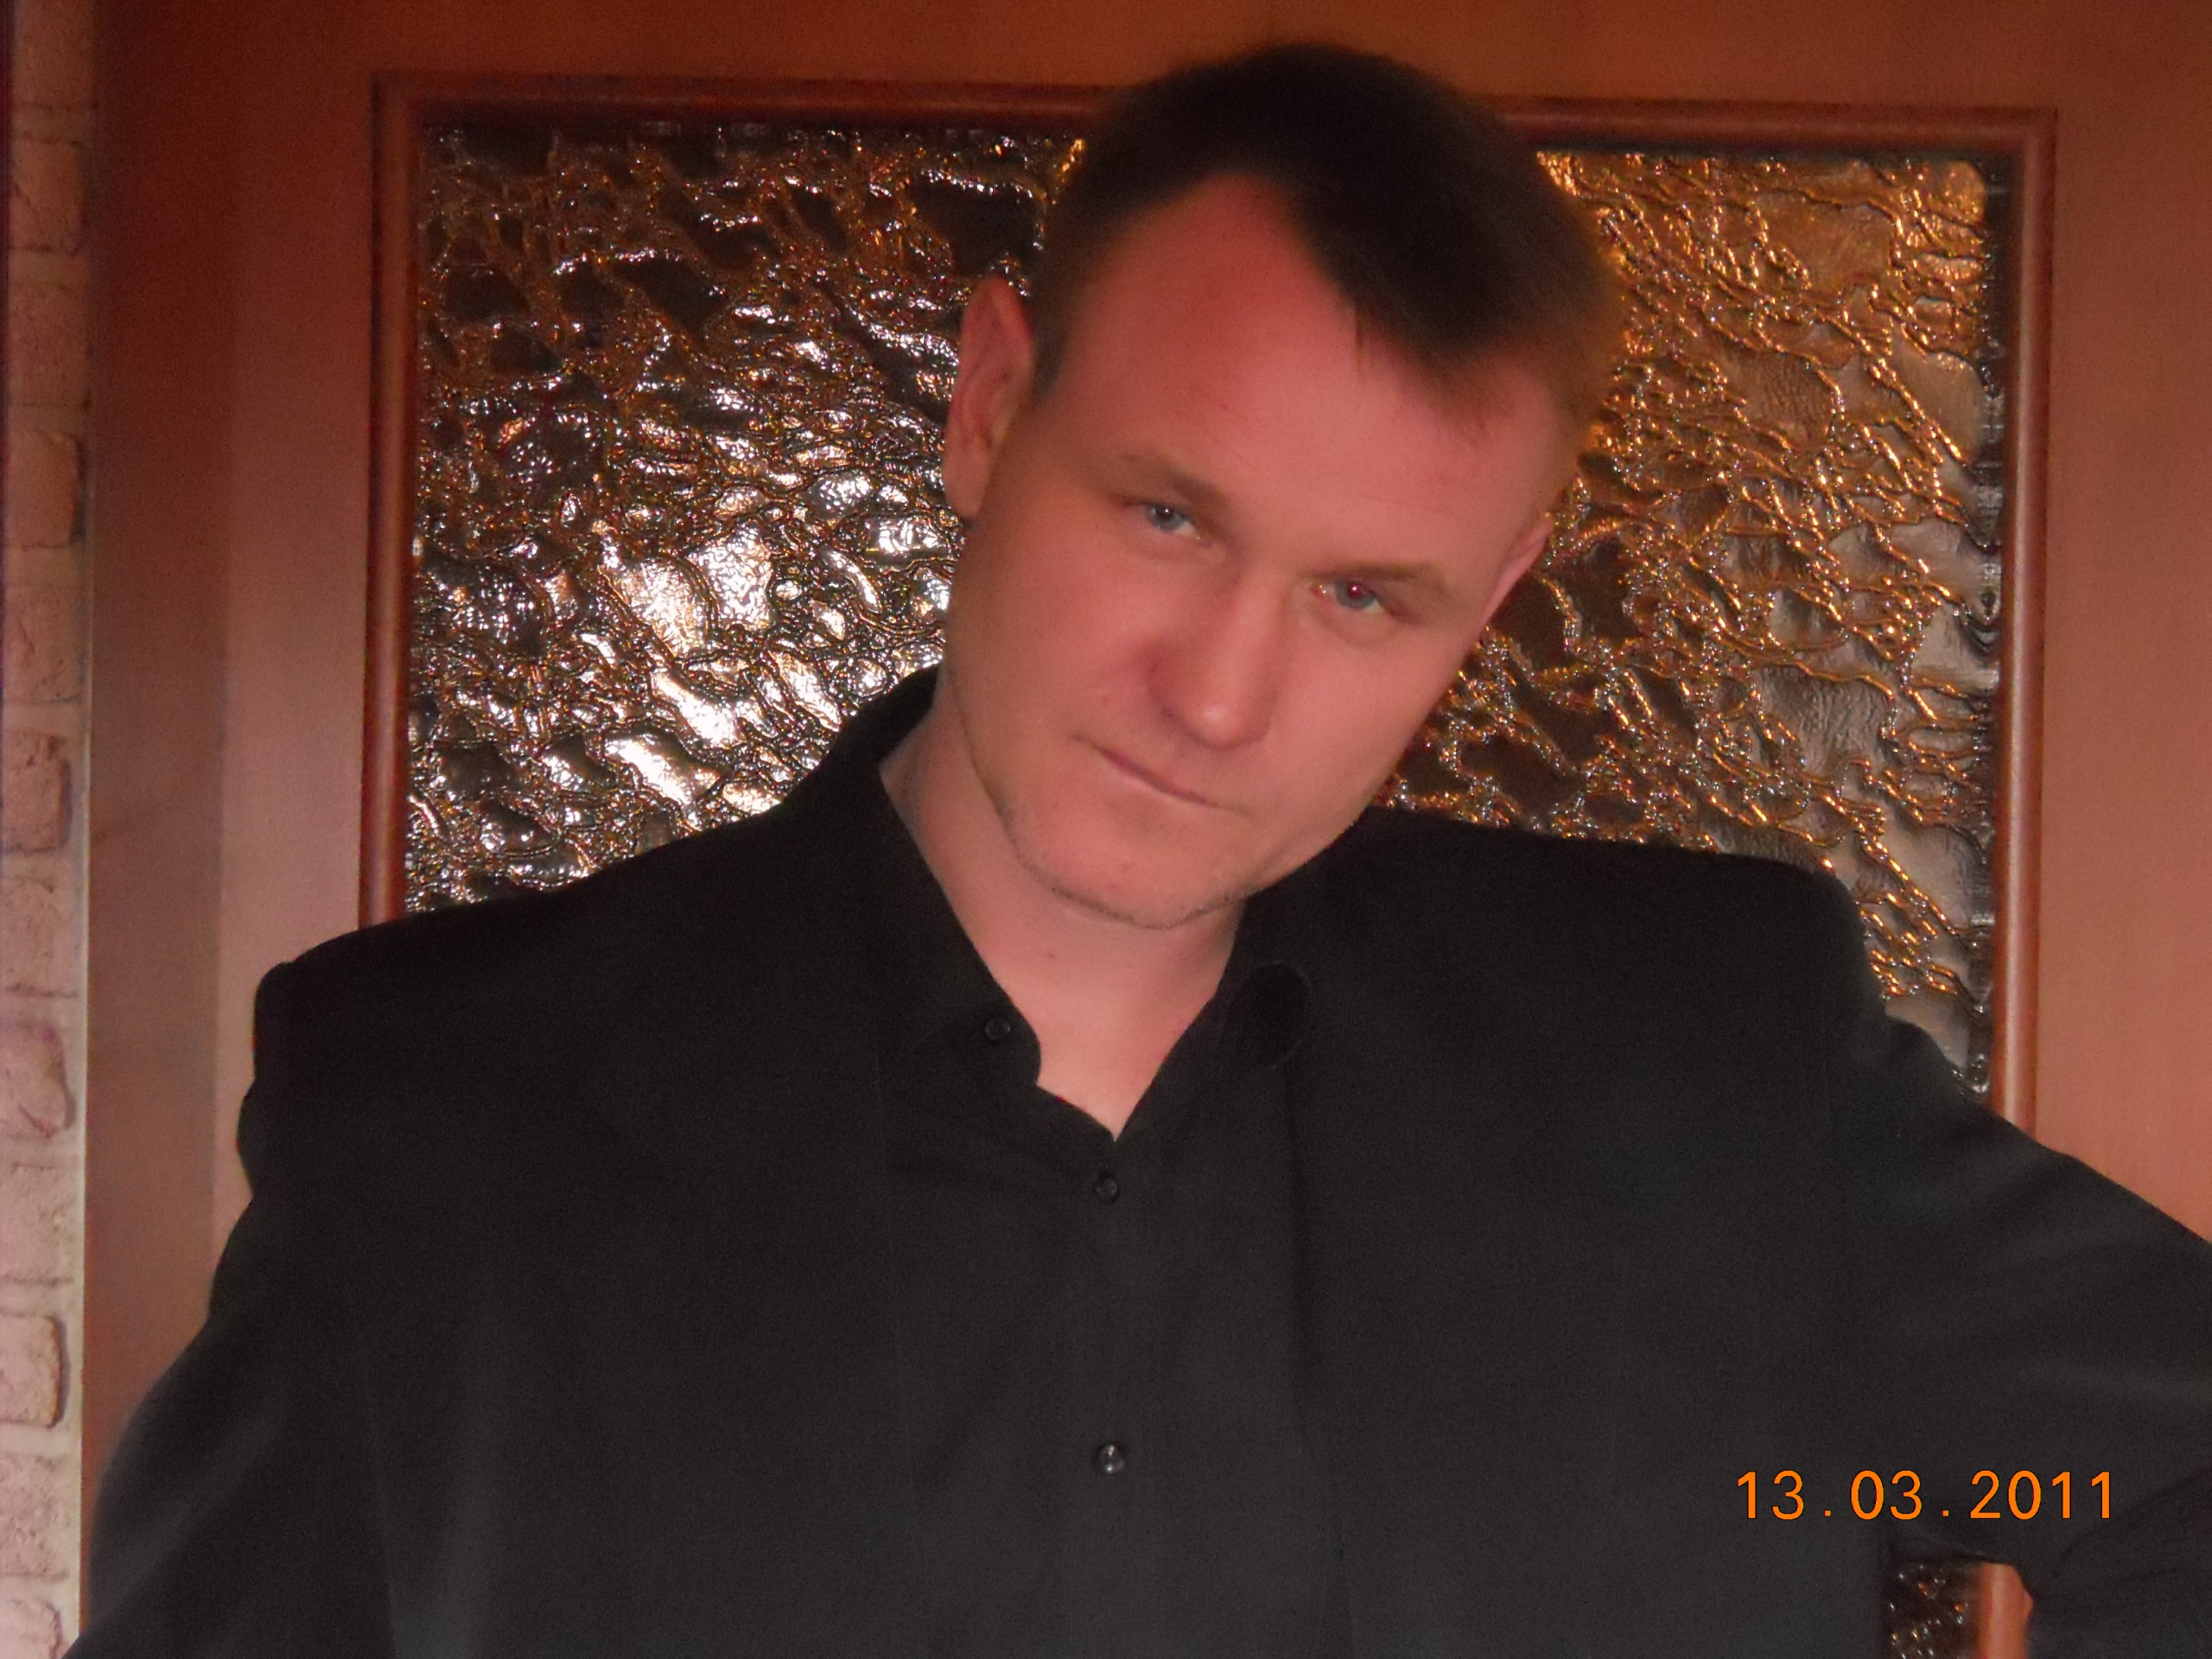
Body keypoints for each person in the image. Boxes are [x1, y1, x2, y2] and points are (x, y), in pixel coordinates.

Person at [74, 44, 2212, 1659]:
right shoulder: (445, 1115)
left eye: (1362, 596)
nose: (1215, 695)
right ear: (991, 406)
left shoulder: (1706, 1062)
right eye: (1167, 515)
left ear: (1489, 602)